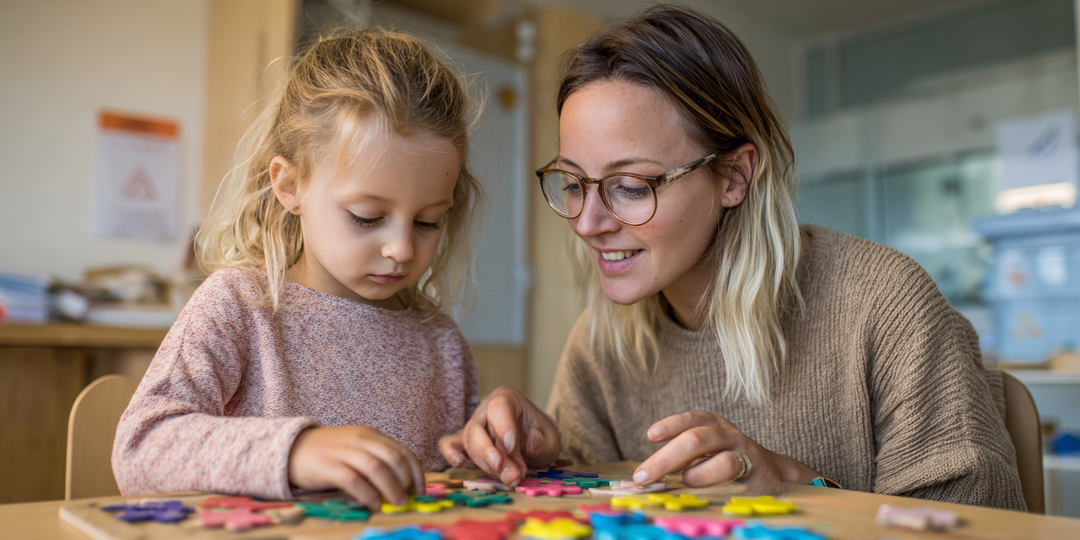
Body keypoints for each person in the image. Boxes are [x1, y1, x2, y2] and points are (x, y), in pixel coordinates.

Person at [470, 6, 1025, 510]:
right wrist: (540, 459)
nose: (588, 223)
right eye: (572, 183)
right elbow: (594, 515)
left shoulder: (884, 303)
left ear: (733, 176)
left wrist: (790, 483)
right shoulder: (602, 343)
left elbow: (975, 526)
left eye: (632, 186)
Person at [110, 28, 556, 508]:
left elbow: (464, 473)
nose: (402, 249)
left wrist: (506, 438)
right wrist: (295, 451)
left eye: (428, 222)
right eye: (368, 217)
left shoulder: (438, 339)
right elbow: (141, 447)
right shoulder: (240, 305)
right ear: (290, 185)